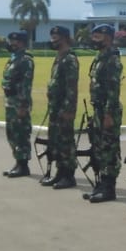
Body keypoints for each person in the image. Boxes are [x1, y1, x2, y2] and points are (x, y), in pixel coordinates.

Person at [84, 23, 124, 203]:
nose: (95, 40)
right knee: (99, 147)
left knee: (109, 148)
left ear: (108, 37)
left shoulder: (112, 59)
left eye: (98, 37)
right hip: (99, 108)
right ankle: (101, 183)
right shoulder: (99, 57)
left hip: (109, 110)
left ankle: (109, 187)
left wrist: (109, 113)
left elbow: (113, 89)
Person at [40, 25, 80, 190]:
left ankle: (68, 175)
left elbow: (71, 87)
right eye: (52, 38)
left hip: (64, 107)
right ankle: (59, 172)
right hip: (55, 107)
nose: (53, 41)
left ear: (64, 39)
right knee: (56, 140)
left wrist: (69, 109)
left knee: (65, 141)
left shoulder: (69, 59)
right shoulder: (59, 57)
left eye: (56, 38)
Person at [1, 30, 34, 177]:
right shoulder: (13, 59)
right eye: (10, 41)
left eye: (14, 41)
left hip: (19, 102)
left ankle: (23, 165)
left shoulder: (26, 60)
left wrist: (23, 104)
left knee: (21, 133)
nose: (11, 44)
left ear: (21, 43)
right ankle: (17, 162)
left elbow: (26, 84)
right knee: (12, 133)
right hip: (10, 101)